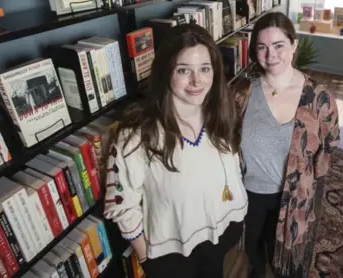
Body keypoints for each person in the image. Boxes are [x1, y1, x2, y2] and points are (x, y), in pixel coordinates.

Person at [103, 24, 247, 278]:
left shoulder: (222, 113)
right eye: (183, 70)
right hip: (171, 257)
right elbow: (121, 205)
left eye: (205, 68)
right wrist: (146, 255)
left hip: (220, 237)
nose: (196, 81)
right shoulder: (138, 134)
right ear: (165, 72)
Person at [232, 12, 340, 278]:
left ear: (294, 45)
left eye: (279, 45)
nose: (271, 55)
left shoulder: (320, 98)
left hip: (292, 197)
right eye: (262, 47)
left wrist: (310, 190)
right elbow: (227, 140)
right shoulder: (242, 93)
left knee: (282, 255)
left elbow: (329, 146)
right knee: (252, 245)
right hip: (249, 194)